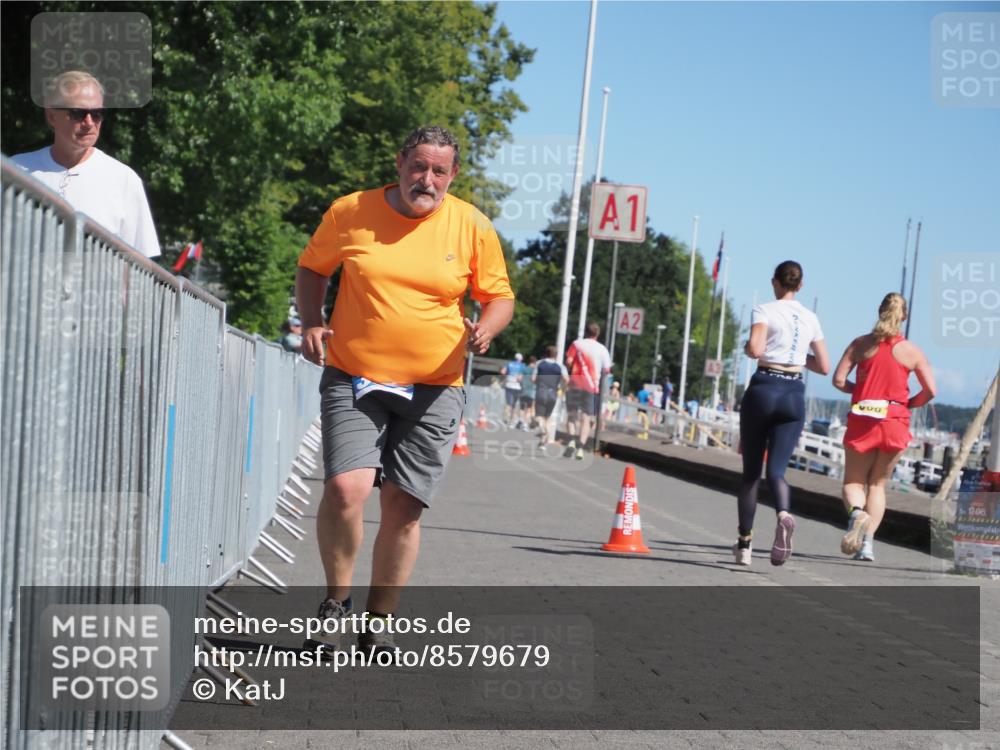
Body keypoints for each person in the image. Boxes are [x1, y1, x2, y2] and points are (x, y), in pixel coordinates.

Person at [295, 125, 514, 654]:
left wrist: (487, 326)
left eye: (439, 171)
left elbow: (500, 296)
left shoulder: (472, 226)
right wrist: (311, 321)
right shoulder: (351, 211)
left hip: (436, 385)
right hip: (354, 373)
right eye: (419, 166)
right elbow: (312, 267)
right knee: (346, 489)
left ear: (453, 175)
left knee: (403, 506)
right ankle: (335, 603)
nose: (427, 179)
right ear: (400, 163)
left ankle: (378, 619)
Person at [734, 260, 829, 567]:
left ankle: (745, 545)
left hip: (764, 388)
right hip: (793, 393)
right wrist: (800, 355)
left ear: (775, 282)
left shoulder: (765, 309)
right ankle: (784, 514)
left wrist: (750, 348)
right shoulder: (810, 317)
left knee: (751, 474)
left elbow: (757, 347)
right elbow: (824, 366)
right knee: (777, 471)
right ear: (800, 286)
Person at [11, 70, 160, 258]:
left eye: (97, 113)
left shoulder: (124, 180)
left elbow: (141, 265)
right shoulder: (15, 170)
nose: (89, 122)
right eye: (77, 113)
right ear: (51, 116)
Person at [832, 293, 935, 562]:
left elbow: (839, 380)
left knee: (853, 482)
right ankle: (867, 545)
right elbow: (931, 390)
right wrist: (907, 404)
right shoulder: (912, 351)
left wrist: (861, 391)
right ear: (905, 316)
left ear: (879, 311)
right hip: (895, 420)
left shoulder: (860, 344)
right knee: (877, 485)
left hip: (864, 417)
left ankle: (857, 514)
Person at [565, 322, 612, 460]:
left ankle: (572, 441)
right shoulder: (602, 349)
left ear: (585, 332)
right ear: (597, 334)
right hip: (591, 386)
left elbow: (568, 361)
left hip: (574, 384)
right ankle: (580, 447)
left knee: (571, 415)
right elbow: (607, 370)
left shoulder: (576, 344)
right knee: (586, 417)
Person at [533, 346, 568, 445]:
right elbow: (567, 379)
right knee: (548, 417)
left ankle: (543, 430)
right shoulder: (560, 366)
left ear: (546, 353)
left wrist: (538, 382)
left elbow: (533, 379)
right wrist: (562, 388)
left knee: (539, 416)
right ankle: (543, 441)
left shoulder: (539, 364)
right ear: (556, 355)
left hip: (541, 391)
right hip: (553, 393)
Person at [500, 353, 526, 428]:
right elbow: (520, 377)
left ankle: (505, 419)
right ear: (521, 359)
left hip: (509, 384)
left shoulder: (509, 364)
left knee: (508, 403)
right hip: (517, 386)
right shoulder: (522, 366)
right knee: (514, 405)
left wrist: (507, 376)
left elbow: (503, 372)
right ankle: (512, 422)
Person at [520, 355, 538, 429]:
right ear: (534, 362)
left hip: (523, 390)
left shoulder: (524, 369)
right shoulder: (535, 370)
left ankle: (521, 421)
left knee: (522, 408)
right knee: (529, 408)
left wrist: (523, 383)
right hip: (532, 391)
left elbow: (519, 378)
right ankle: (525, 424)